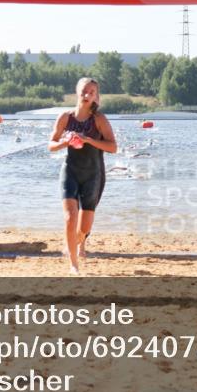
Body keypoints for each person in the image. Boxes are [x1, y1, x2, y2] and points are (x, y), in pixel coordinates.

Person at [49, 78, 117, 275]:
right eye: (84, 91)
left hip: (93, 174)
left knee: (83, 228)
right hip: (70, 171)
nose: (87, 94)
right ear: (77, 92)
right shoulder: (65, 117)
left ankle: (78, 242)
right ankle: (73, 264)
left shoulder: (99, 120)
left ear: (96, 96)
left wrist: (89, 140)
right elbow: (51, 145)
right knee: (70, 217)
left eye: (92, 92)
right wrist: (65, 143)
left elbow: (113, 147)